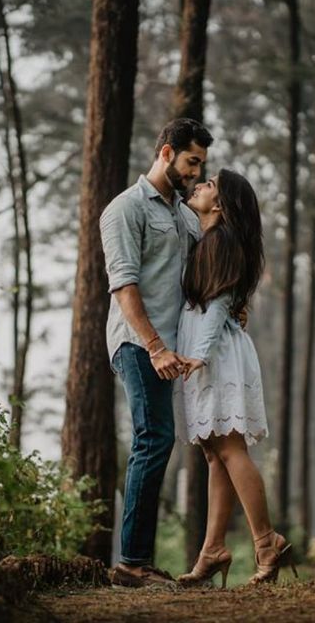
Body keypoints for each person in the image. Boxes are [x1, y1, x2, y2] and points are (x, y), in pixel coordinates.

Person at [99, 118, 213, 588]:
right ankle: (131, 564)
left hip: (173, 347)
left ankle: (138, 560)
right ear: (166, 153)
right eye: (191, 161)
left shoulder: (185, 216)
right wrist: (155, 347)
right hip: (137, 343)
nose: (196, 171)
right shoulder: (124, 209)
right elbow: (124, 287)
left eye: (201, 163)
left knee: (160, 439)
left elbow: (197, 276)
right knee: (153, 438)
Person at [173, 169, 298, 587]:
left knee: (229, 449)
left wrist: (198, 355)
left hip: (215, 355)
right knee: (215, 453)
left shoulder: (221, 241)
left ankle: (266, 541)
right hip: (209, 353)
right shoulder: (209, 239)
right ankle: (213, 549)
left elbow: (220, 303)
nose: (200, 186)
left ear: (221, 204)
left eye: (208, 185)